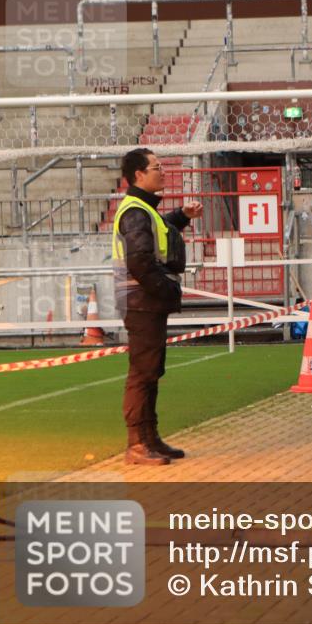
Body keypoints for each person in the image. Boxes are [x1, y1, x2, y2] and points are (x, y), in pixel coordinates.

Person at [113, 149, 202, 465]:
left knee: (150, 371)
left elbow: (159, 230)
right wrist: (167, 289)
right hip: (143, 301)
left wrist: (182, 216)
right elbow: (140, 260)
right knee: (143, 373)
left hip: (145, 301)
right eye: (157, 167)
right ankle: (137, 444)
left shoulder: (142, 209)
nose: (163, 171)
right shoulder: (135, 211)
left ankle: (149, 438)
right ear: (138, 174)